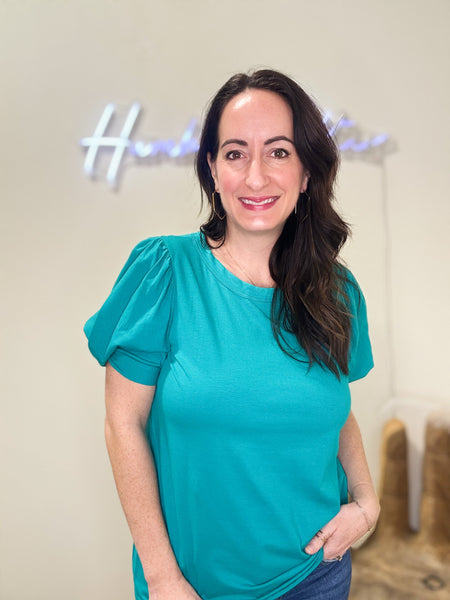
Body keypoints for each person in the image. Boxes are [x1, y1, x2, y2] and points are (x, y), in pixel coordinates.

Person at [84, 68, 380, 600]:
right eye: (236, 153)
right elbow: (123, 424)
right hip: (192, 588)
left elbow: (336, 412)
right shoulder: (164, 272)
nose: (256, 177)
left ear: (306, 174)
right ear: (213, 171)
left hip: (316, 576)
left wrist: (366, 502)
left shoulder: (337, 291)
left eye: (279, 152)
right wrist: (163, 578)